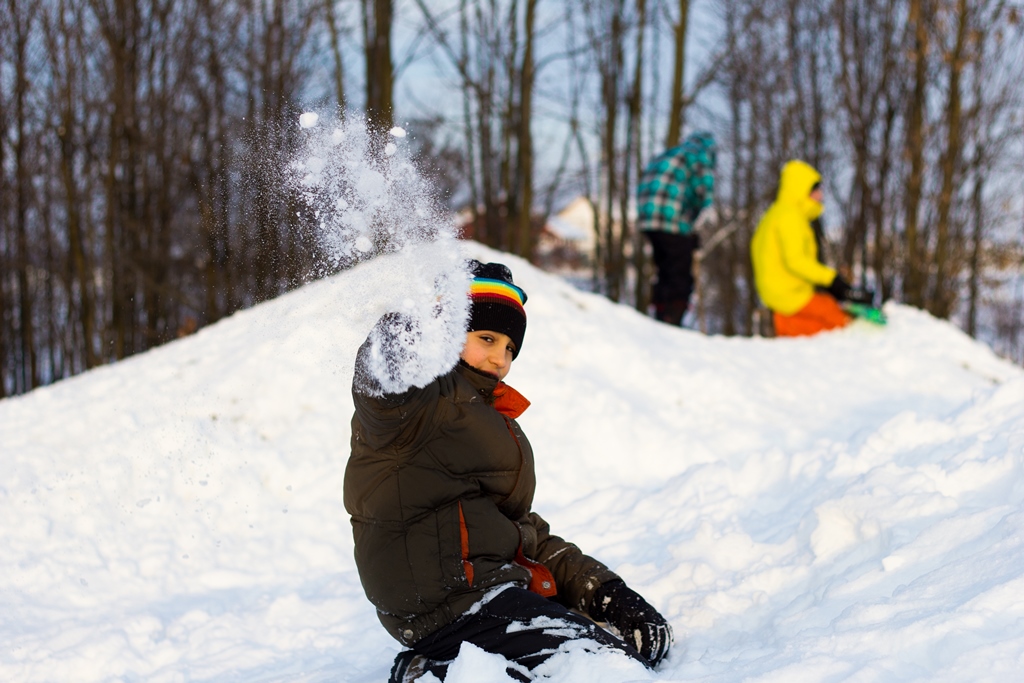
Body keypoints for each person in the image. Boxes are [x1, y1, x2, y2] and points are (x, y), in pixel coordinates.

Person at [345, 260, 672, 682]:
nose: (500, 358)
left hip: (487, 596)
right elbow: (380, 374)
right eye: (486, 338)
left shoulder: (489, 418)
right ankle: (445, 671)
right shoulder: (415, 405)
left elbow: (521, 531)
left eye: (510, 349)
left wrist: (608, 593)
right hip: (450, 603)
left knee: (611, 662)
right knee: (598, 671)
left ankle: (448, 667)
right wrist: (423, 316)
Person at [750, 160, 854, 337]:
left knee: (818, 323)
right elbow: (796, 261)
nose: (820, 196)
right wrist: (832, 280)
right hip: (790, 295)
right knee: (837, 320)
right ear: (801, 190)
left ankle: (783, 324)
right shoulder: (790, 217)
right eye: (815, 190)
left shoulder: (775, 214)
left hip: (780, 297)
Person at [636, 131, 716, 326]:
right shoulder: (699, 154)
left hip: (647, 219)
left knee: (665, 269)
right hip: (669, 219)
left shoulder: (669, 154)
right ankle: (672, 319)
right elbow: (703, 191)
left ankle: (661, 314)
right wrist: (699, 218)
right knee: (680, 272)